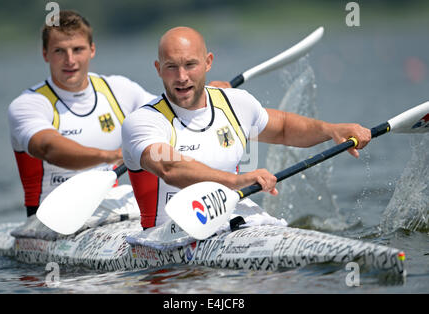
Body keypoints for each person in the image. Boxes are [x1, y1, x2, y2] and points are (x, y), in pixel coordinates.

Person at [121, 26, 371, 230]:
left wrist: (331, 130)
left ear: (208, 63)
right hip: (170, 235)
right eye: (171, 67)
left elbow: (283, 127)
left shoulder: (235, 103)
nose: (182, 76)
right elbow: (170, 168)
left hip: (241, 221)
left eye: (190, 65)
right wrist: (237, 180)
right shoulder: (144, 122)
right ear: (158, 69)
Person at [8, 10, 229, 218]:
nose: (70, 60)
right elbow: (49, 148)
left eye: (77, 49)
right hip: (51, 217)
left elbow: (173, 113)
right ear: (45, 54)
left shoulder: (119, 90)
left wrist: (207, 95)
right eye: (59, 51)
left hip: (113, 208)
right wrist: (113, 155)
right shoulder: (29, 104)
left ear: (92, 50)